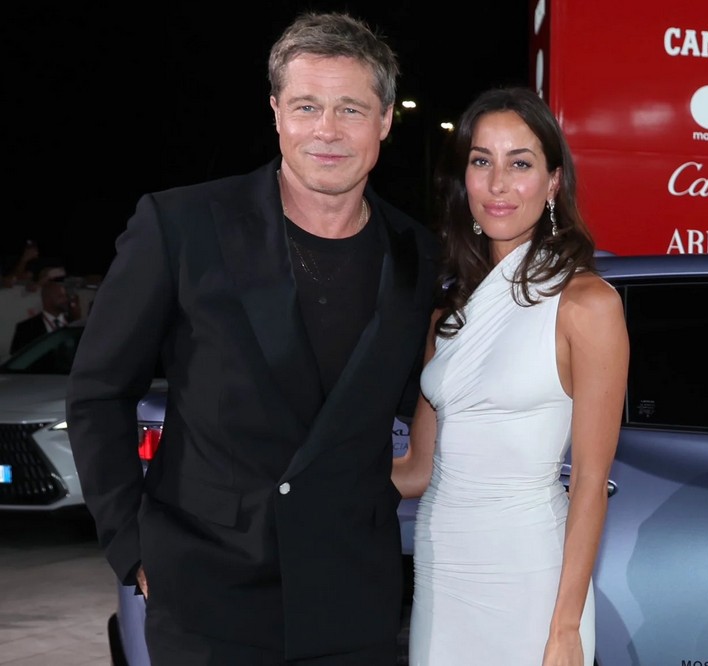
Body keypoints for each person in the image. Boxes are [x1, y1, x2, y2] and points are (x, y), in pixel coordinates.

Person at [66, 11, 439, 666]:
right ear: (276, 113)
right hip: (208, 597)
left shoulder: (415, 253)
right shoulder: (181, 225)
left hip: (353, 598)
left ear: (384, 120)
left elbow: (417, 395)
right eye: (306, 106)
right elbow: (98, 393)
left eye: (351, 109)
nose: (327, 130)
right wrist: (133, 548)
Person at [392, 86, 629, 666]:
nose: (498, 184)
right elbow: (418, 471)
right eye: (482, 161)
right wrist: (301, 469)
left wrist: (566, 627)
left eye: (519, 164)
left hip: (531, 577)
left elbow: (590, 481)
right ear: (464, 179)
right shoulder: (448, 318)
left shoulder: (587, 304)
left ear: (552, 183)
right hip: (441, 569)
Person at [9, 277, 79, 354]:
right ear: (46, 299)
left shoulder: (75, 324)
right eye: (60, 296)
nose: (66, 299)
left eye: (65, 296)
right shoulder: (26, 329)